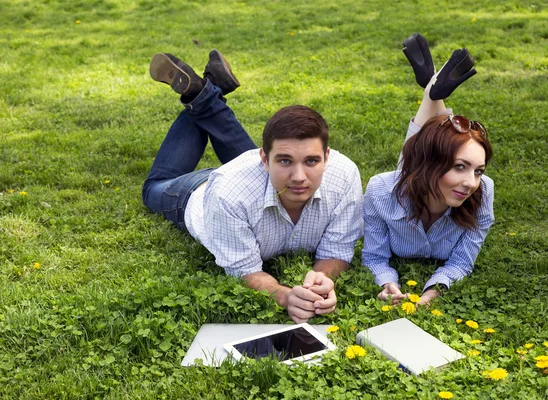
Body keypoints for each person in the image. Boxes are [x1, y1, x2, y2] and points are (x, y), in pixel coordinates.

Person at [142, 50, 363, 323]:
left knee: (268, 175)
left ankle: (204, 92)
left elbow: (337, 251)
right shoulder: (228, 193)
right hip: (194, 192)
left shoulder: (344, 176)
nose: (299, 177)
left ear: (327, 157)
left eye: (311, 161)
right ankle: (202, 94)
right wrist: (283, 295)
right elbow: (244, 269)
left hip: (253, 183)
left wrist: (322, 280)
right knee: (153, 188)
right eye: (285, 160)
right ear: (264, 159)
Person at [362, 34, 494, 306]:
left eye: (478, 170)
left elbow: (461, 261)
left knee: (426, 151)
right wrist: (388, 283)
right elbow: (374, 257)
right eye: (460, 167)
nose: (471, 183)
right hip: (409, 182)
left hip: (423, 173)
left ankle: (432, 91)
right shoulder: (379, 190)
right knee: (414, 161)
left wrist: (432, 292)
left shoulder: (484, 190)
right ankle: (435, 90)